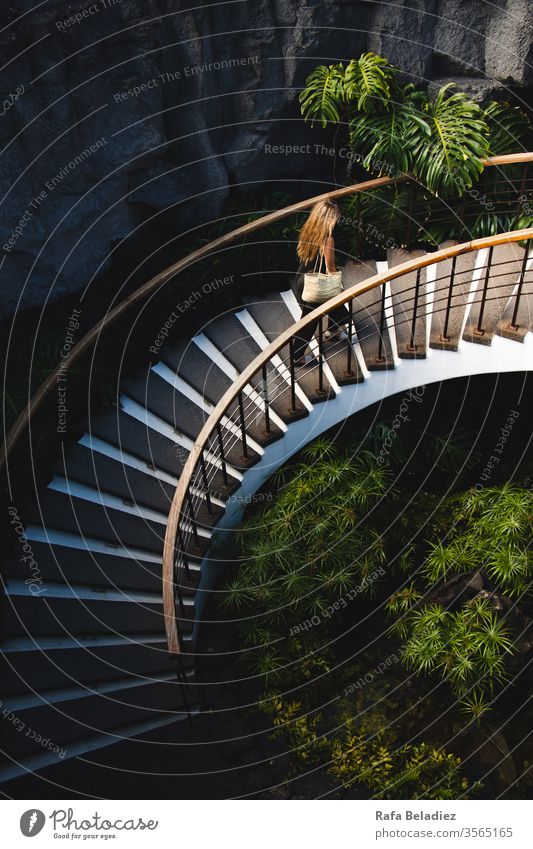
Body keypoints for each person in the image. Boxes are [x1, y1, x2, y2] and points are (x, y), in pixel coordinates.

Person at [292, 198, 349, 364]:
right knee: (310, 322)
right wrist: (338, 283)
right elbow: (330, 267)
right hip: (315, 284)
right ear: (330, 219)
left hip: (302, 279)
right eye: (335, 217)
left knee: (335, 304)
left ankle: (333, 331)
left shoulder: (309, 230)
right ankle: (297, 357)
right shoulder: (327, 239)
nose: (337, 220)